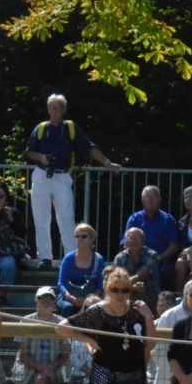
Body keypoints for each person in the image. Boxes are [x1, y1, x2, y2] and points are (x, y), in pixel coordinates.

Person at [24, 93, 117, 266]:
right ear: (48, 109)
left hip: (62, 176)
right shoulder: (41, 128)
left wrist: (107, 162)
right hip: (41, 174)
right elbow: (29, 151)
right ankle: (45, 258)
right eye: (51, 107)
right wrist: (41, 157)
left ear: (63, 110)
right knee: (41, 218)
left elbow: (88, 147)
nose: (54, 111)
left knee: (66, 217)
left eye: (58, 107)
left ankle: (71, 257)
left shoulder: (70, 128)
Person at [15, 287, 66, 384]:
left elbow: (65, 354)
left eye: (49, 299)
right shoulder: (25, 320)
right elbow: (23, 355)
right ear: (36, 302)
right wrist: (43, 368)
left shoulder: (62, 322)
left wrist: (51, 368)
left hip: (56, 370)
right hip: (30, 369)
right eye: (42, 299)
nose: (46, 302)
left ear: (55, 303)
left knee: (42, 380)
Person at [125, 186, 181, 289]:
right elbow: (126, 243)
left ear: (159, 199)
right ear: (142, 200)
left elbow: (174, 246)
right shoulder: (134, 219)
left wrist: (158, 258)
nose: (150, 200)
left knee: (165, 270)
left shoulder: (168, 220)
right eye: (147, 197)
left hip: (161, 260)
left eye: (153, 196)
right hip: (136, 258)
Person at [56, 224, 106, 316]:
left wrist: (89, 300)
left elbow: (100, 285)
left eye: (84, 236)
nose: (79, 239)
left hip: (91, 298)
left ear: (92, 239)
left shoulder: (99, 260)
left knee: (94, 308)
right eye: (77, 236)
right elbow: (61, 282)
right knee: (68, 308)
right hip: (68, 297)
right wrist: (69, 297)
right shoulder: (68, 258)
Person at [112, 227, 160, 297]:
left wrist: (125, 283)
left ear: (142, 241)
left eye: (135, 239)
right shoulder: (119, 258)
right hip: (126, 294)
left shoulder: (152, 255)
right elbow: (117, 281)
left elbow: (142, 275)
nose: (132, 241)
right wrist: (133, 287)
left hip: (149, 294)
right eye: (130, 238)